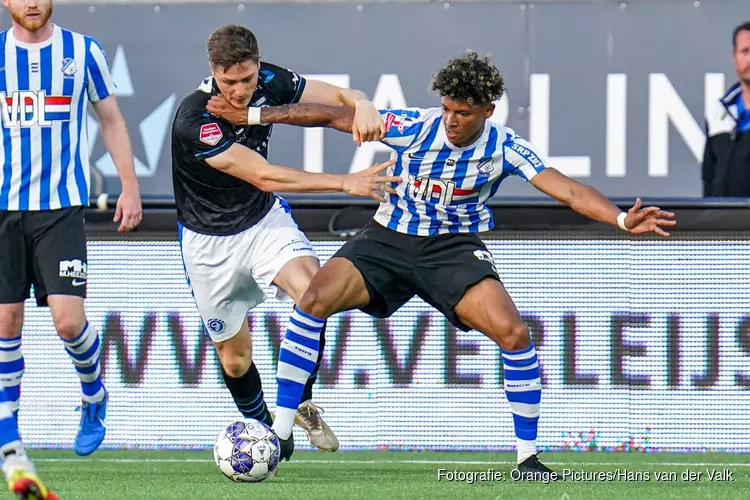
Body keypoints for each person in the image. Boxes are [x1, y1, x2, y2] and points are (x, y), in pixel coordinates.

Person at [257, 51, 676, 474]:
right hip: (388, 239)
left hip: (451, 250)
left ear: (487, 111)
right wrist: (259, 116)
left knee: (514, 333)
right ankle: (283, 427)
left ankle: (527, 457)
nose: (451, 120)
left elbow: (566, 190)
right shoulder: (416, 127)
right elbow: (329, 116)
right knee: (313, 298)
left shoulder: (504, 146)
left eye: (463, 112)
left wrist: (621, 218)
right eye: (447, 109)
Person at [171, 24, 396, 460]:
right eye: (228, 81)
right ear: (213, 71)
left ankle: (296, 407)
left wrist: (364, 102)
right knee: (234, 361)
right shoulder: (193, 119)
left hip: (262, 224)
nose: (239, 91)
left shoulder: (270, 81)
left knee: (317, 293)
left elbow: (335, 97)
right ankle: (261, 431)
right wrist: (346, 182)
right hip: (208, 243)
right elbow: (262, 173)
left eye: (247, 79)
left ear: (257, 66)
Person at [0, 0, 143, 497]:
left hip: (60, 209)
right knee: (5, 322)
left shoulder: (82, 52)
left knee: (67, 321)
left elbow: (111, 120)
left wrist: (129, 185)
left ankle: (93, 392)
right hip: (2, 211)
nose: (31, 2)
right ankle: (9, 436)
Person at [703, 21, 750, 197]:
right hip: (724, 220)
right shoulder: (718, 111)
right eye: (745, 51)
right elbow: (709, 174)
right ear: (734, 56)